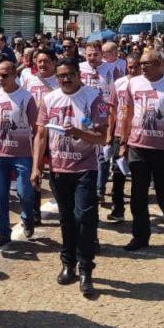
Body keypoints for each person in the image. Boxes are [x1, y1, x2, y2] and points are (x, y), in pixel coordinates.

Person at [32, 59, 109, 297]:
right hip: (59, 169)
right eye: (61, 76)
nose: (66, 79)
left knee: (84, 217)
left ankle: (86, 268)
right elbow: (41, 135)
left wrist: (79, 133)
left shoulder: (93, 98)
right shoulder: (49, 99)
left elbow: (102, 137)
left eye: (70, 75)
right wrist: (36, 167)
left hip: (85, 168)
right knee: (66, 219)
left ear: (78, 75)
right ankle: (68, 263)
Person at [118, 49, 164, 251]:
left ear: (160, 64)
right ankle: (140, 236)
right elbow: (128, 114)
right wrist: (123, 142)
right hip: (138, 146)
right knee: (138, 194)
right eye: (141, 63)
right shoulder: (133, 83)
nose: (142, 67)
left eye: (146, 63)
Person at [0, 60, 38, 247]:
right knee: (1, 195)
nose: (0, 79)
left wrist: (38, 159)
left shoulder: (26, 97)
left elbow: (37, 129)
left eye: (5, 75)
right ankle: (3, 233)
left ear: (14, 75)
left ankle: (27, 216)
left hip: (23, 154)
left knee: (24, 192)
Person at [20, 48, 59, 225]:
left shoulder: (60, 80)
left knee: (57, 173)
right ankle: (35, 212)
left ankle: (64, 206)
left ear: (54, 62)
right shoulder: (29, 80)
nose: (42, 64)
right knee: (36, 171)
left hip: (55, 133)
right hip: (35, 133)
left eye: (46, 61)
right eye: (39, 61)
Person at [105, 53, 142, 222]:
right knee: (118, 172)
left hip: (139, 135)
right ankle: (118, 207)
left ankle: (138, 210)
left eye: (136, 66)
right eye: (130, 66)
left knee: (138, 173)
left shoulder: (145, 84)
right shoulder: (118, 83)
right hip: (119, 133)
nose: (133, 70)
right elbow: (112, 110)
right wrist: (109, 133)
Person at [79, 41, 116, 205]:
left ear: (102, 55)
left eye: (95, 54)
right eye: (89, 55)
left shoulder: (111, 69)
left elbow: (115, 95)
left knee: (102, 154)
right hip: (83, 115)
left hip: (103, 114)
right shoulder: (79, 68)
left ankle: (99, 189)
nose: (92, 58)